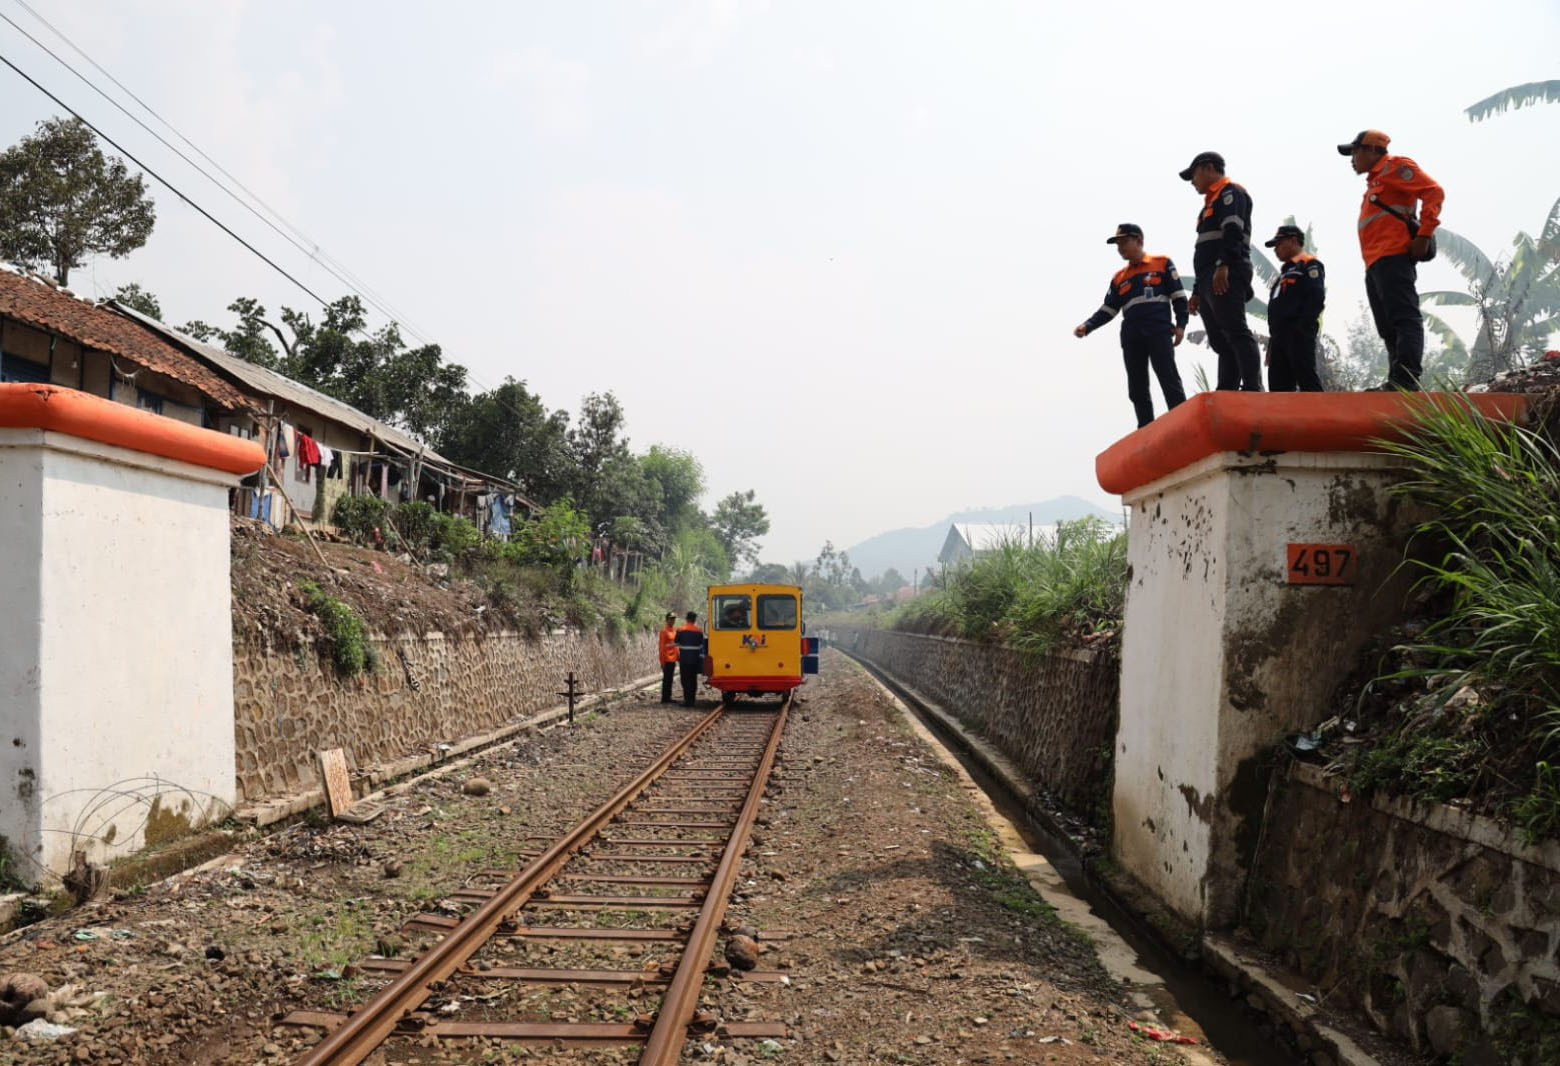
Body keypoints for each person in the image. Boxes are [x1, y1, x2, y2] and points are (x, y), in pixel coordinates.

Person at [1338, 129, 1444, 390]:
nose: (1352, 158)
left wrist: (1424, 234)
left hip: (1393, 257)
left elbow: (1434, 191)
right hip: (1375, 263)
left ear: (1373, 150)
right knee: (1387, 327)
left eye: (1355, 151)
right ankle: (1396, 381)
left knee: (1403, 319)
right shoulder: (1375, 182)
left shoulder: (1396, 167)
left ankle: (1406, 380)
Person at [1073, 223, 1189, 428]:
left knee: (1168, 377)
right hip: (1132, 336)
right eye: (1118, 244)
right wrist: (1088, 325)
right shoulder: (1119, 278)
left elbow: (1179, 297)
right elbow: (1109, 309)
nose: (1120, 248)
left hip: (1158, 331)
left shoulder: (1162, 264)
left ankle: (1181, 422)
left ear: (1139, 241)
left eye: (1124, 242)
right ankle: (1145, 427)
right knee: (1137, 387)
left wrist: (1181, 325)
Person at [1179, 151, 1263, 392]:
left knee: (1234, 329)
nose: (1192, 181)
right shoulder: (1210, 204)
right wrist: (1196, 291)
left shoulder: (1230, 193)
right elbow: (1204, 251)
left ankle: (1252, 386)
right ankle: (1227, 388)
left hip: (1227, 270)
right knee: (1219, 340)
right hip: (1207, 276)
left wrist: (1224, 265)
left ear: (1207, 168)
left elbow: (1233, 232)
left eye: (1193, 174)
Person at [1262, 224, 1326, 392]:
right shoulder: (1283, 274)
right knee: (1278, 388)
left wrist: (1301, 328)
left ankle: (1321, 416)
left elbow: (1316, 298)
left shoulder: (1309, 265)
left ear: (1293, 240)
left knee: (1306, 378)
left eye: (1279, 244)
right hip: (1278, 337)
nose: (1276, 249)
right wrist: (1272, 344)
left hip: (1298, 332)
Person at [675, 610, 705, 707]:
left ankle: (687, 700)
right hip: (695, 660)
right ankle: (692, 700)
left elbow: (676, 641)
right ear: (695, 620)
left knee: (685, 679)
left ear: (686, 619)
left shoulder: (680, 629)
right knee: (693, 679)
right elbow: (701, 644)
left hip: (684, 660)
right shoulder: (699, 631)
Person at [658, 612, 679, 703]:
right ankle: (664, 698)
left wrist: (678, 656)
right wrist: (662, 661)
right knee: (666, 679)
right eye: (671, 619)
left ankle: (668, 697)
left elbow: (676, 645)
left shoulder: (674, 630)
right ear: (667, 620)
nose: (672, 620)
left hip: (673, 658)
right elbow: (662, 647)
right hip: (666, 658)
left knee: (670, 679)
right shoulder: (664, 631)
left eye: (673, 619)